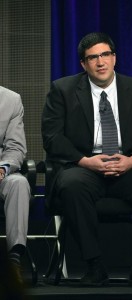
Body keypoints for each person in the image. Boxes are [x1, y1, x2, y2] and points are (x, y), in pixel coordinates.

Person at [42, 32, 132, 287]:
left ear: (114, 58)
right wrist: (85, 160)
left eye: (105, 55)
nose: (100, 62)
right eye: (93, 58)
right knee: (72, 185)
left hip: (128, 165)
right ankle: (93, 264)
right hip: (85, 165)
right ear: (83, 64)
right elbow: (52, 138)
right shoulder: (63, 90)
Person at [0, 86, 30, 286]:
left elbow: (16, 147)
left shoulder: (10, 99)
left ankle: (14, 259)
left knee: (19, 182)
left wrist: (2, 169)